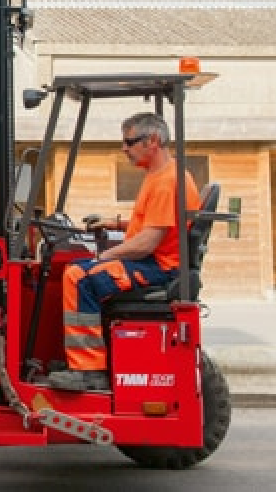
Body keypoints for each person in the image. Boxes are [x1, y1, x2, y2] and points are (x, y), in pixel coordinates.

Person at [47, 112, 200, 392]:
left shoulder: (166, 182)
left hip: (158, 268)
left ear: (153, 140)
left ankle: (89, 370)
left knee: (78, 275)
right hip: (158, 262)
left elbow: (148, 242)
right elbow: (158, 225)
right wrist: (115, 224)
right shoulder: (164, 174)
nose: (124, 149)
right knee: (86, 269)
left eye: (130, 142)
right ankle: (81, 358)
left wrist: (105, 256)